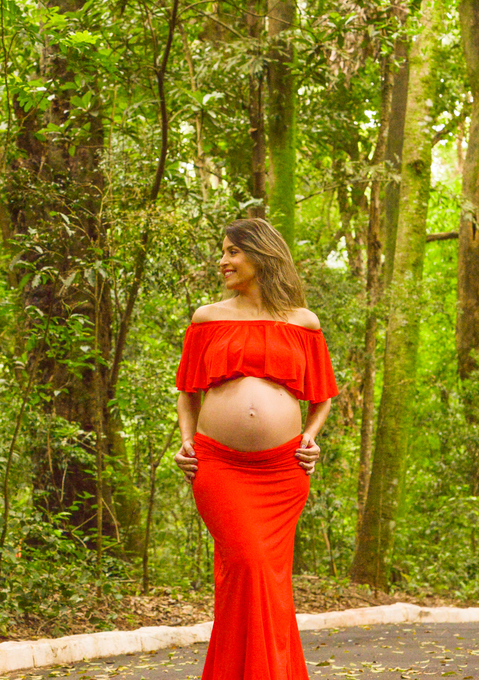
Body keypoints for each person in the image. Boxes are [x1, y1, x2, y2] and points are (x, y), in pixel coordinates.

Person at [174, 218, 336, 680]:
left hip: (282, 472)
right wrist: (186, 441)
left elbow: (321, 397)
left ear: (260, 255)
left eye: (232, 252)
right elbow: (188, 391)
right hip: (219, 465)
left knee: (266, 577)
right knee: (246, 563)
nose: (222, 261)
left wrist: (311, 437)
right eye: (223, 251)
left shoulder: (304, 323)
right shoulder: (208, 318)